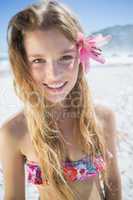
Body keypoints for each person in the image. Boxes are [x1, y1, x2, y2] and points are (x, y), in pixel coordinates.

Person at [0, 0, 122, 199]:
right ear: (23, 63)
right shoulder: (13, 132)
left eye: (65, 57)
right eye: (38, 60)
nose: (54, 74)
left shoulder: (103, 117)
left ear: (81, 55)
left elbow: (113, 183)